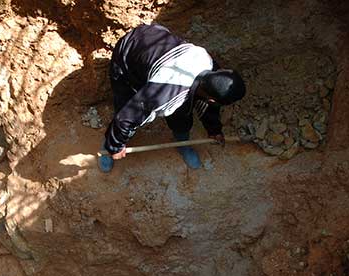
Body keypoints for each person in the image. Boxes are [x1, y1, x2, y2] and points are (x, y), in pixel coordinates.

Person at [100, 23, 246, 172]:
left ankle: (182, 143)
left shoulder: (211, 67)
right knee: (124, 105)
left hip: (155, 41)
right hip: (128, 57)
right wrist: (115, 146)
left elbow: (207, 104)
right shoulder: (164, 92)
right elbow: (128, 116)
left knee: (182, 113)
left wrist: (213, 130)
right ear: (212, 99)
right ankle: (108, 145)